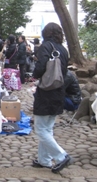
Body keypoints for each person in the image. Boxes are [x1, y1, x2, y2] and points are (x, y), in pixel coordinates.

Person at [32, 22, 71, 173]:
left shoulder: (46, 46)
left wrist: (34, 76)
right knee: (47, 128)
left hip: (46, 91)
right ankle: (44, 160)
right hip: (59, 91)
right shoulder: (63, 49)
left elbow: (40, 66)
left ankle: (61, 156)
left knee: (40, 128)